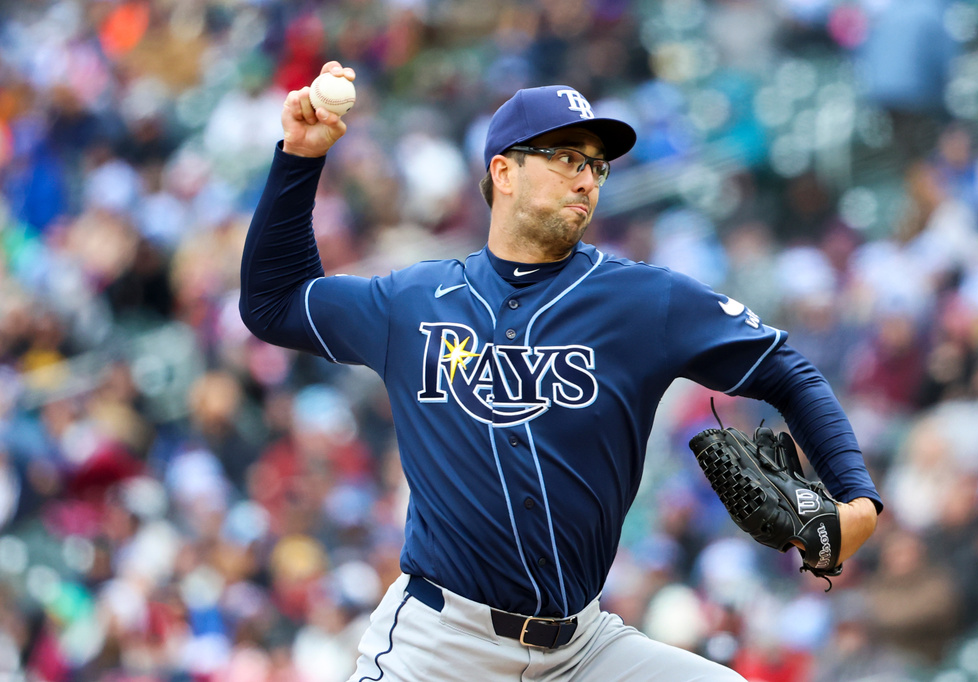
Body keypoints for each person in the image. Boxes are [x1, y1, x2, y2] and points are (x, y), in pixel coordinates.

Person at [240, 61, 882, 682]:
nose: (588, 179)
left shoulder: (644, 302)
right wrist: (300, 157)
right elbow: (272, 304)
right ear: (505, 171)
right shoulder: (410, 304)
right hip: (442, 647)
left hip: (582, 649)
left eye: (596, 165)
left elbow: (788, 372)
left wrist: (858, 501)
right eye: (567, 158)